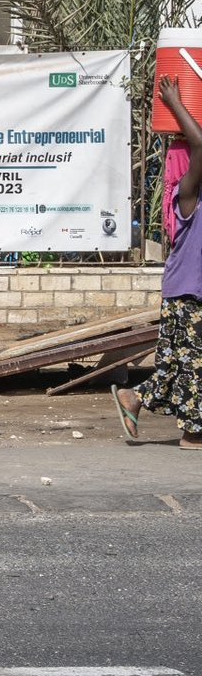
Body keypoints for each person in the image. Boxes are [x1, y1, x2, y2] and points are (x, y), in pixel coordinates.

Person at [115, 77, 202, 450]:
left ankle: (136, 399)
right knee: (192, 368)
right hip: (187, 293)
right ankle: (193, 433)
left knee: (176, 367)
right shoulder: (189, 198)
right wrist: (175, 101)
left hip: (188, 292)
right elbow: (200, 143)